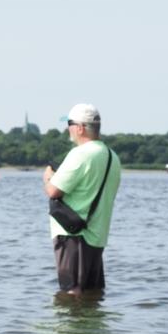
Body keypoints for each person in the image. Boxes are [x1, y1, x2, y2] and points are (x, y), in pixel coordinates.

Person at [43, 103, 122, 296]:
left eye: (69, 124)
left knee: (71, 292)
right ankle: (90, 326)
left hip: (74, 235)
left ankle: (72, 327)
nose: (68, 129)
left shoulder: (80, 154)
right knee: (93, 294)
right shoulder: (113, 157)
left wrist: (47, 176)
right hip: (97, 236)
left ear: (80, 128)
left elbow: (53, 191)